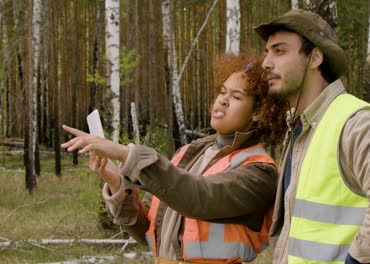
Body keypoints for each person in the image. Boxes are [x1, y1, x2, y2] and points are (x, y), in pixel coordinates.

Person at [61, 54, 288, 264]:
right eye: (222, 91)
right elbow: (148, 230)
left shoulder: (259, 170)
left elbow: (198, 196)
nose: (223, 101)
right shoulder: (188, 153)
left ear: (259, 112)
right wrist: (116, 183)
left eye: (236, 96)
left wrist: (126, 154)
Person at [253, 9, 370, 264]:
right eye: (267, 52)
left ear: (314, 58)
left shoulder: (356, 122)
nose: (266, 62)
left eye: (279, 51)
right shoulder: (301, 129)